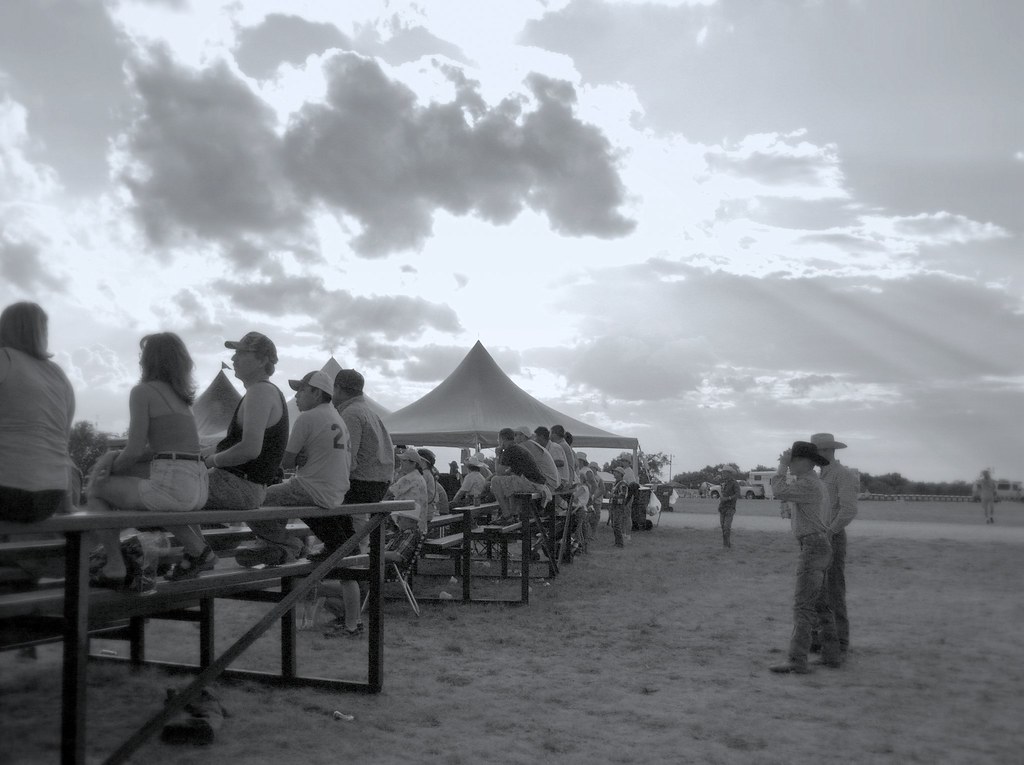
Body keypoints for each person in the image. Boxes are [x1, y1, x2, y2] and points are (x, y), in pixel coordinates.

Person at [86, 333, 209, 589]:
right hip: (197, 484)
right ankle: (199, 549)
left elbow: (133, 450)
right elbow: (155, 450)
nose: (140, 361)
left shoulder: (143, 392)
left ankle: (114, 564)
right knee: (147, 494)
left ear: (150, 360)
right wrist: (111, 459)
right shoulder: (182, 400)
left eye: (143, 356)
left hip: (175, 485)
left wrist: (106, 472)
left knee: (97, 490)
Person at [166, 332, 289, 580]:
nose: (234, 358)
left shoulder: (260, 393)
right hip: (247, 486)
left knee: (165, 490)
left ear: (262, 359)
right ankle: (197, 553)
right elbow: (237, 445)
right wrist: (202, 455)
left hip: (240, 485)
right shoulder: (262, 392)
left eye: (242, 353)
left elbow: (249, 449)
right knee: (173, 488)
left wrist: (210, 461)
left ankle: (198, 553)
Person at [236, 371, 351, 567]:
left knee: (252, 502)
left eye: (301, 390)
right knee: (275, 498)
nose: (296, 396)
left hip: (311, 488)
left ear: (316, 393)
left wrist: (294, 458)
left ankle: (289, 545)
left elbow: (286, 462)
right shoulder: (337, 417)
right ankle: (273, 545)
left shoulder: (308, 418)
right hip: (335, 490)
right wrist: (299, 457)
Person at [769, 441, 840, 674]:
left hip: (812, 546)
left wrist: (780, 466)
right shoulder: (814, 483)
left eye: (793, 461)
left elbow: (778, 490)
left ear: (805, 462)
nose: (789, 465)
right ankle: (831, 654)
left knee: (803, 606)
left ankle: (797, 659)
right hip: (820, 544)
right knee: (820, 605)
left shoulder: (808, 484)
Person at [0, 302, 75, 524]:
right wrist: (68, 502)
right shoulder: (58, 374)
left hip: (7, 491)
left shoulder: (4, 357)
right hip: (50, 497)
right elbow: (63, 441)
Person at [310, 368, 395, 562]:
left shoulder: (350, 414)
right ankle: (344, 545)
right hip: (378, 485)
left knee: (310, 493)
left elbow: (347, 460)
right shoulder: (370, 412)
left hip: (361, 484)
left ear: (337, 388)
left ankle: (338, 546)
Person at [810, 432, 859, 659]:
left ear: (827, 451)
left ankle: (840, 642)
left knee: (833, 591)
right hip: (817, 537)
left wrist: (829, 531)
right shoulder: (820, 477)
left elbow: (848, 509)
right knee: (817, 591)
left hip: (832, 537)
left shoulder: (843, 475)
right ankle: (820, 638)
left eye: (816, 451)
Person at [491, 427, 549, 520]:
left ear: (502, 439)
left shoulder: (509, 450)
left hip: (532, 484)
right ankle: (513, 513)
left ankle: (507, 515)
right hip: (537, 483)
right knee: (508, 480)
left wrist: (498, 455)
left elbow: (499, 472)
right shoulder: (518, 448)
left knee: (495, 481)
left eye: (498, 439)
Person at [386, 447, 429, 533]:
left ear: (413, 464)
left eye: (404, 460)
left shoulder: (408, 478)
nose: (401, 462)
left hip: (408, 522)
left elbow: (388, 492)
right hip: (419, 523)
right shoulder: (419, 477)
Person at [513, 426, 559, 490]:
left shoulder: (524, 445)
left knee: (507, 483)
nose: (513, 437)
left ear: (522, 436)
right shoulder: (531, 444)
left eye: (515, 435)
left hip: (547, 484)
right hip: (552, 482)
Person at [417, 448, 449, 518]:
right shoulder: (428, 473)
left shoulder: (424, 475)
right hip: (432, 510)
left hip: (427, 513)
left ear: (422, 460)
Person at [717, 463, 741, 548]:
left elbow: (738, 495)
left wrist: (728, 498)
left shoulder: (735, 483)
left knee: (727, 527)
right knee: (723, 527)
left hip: (730, 508)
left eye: (724, 473)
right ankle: (726, 545)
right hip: (722, 508)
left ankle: (726, 546)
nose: (722, 474)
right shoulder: (724, 483)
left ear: (729, 473)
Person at [608, 467, 630, 548]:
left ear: (620, 474)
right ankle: (617, 543)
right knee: (614, 525)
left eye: (616, 472)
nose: (614, 473)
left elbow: (623, 496)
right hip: (614, 506)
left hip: (618, 506)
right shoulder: (616, 483)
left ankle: (620, 543)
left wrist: (612, 495)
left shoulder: (623, 484)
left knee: (616, 525)